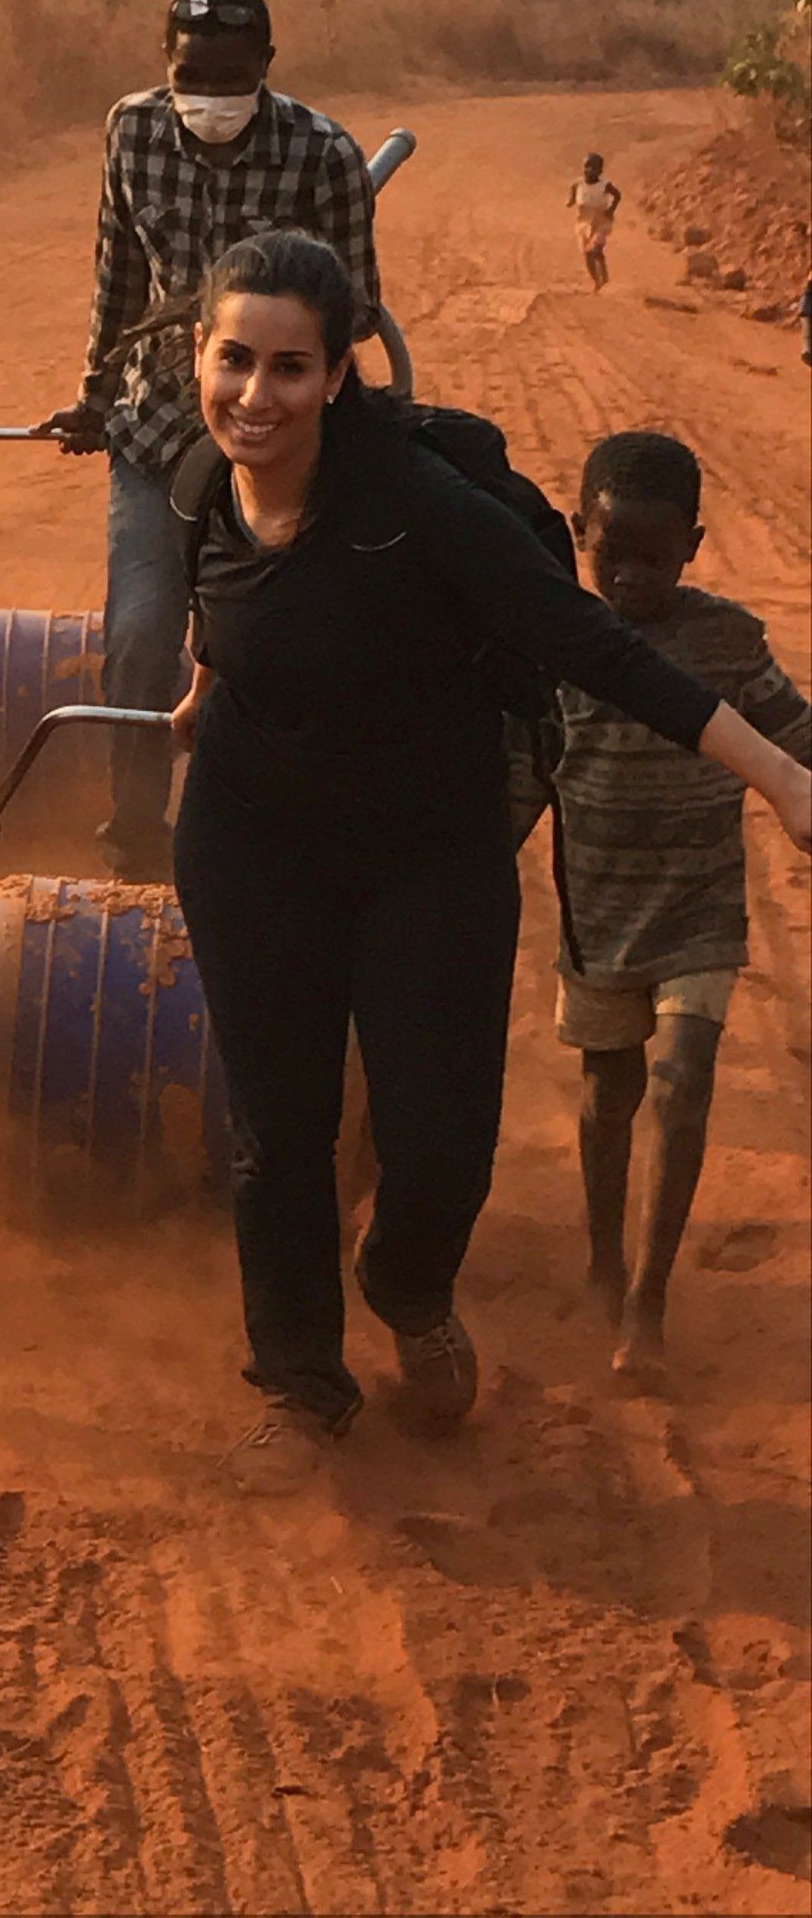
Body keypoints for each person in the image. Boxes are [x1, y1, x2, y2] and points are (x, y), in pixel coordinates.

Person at [163, 231, 809, 1477]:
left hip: (428, 851)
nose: (255, 394)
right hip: (252, 845)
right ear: (201, 354)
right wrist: (201, 694)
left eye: (290, 368)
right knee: (277, 1130)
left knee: (441, 1133)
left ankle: (407, 1282)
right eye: (233, 359)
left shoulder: (420, 510)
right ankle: (302, 1386)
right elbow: (221, 611)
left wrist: (781, 773)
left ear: (339, 375)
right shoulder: (200, 482)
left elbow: (596, 645)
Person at [43, 0, 381, 883]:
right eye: (194, 77)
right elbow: (117, 274)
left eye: (232, 81)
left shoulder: (327, 158)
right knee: (145, 633)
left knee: (270, 637)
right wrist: (93, 389)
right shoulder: (132, 131)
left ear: (268, 70)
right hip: (156, 428)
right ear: (167, 66)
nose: (211, 100)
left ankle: (277, 822)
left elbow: (355, 313)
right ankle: (136, 823)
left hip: (275, 443)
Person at [560, 431, 811, 1386]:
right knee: (607, 1093)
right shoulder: (557, 643)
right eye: (607, 552)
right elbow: (514, 780)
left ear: (693, 548)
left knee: (681, 1079)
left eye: (653, 559)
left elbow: (797, 738)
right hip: (598, 910)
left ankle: (646, 1303)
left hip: (701, 905)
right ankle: (601, 1261)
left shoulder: (728, 643)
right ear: (579, 530)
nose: (627, 577)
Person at [568, 152, 622, 291]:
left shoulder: (604, 184)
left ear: (600, 170)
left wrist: (611, 210)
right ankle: (597, 281)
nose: (589, 170)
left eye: (594, 168)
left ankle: (604, 277)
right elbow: (573, 189)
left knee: (596, 247)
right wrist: (572, 200)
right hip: (583, 220)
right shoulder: (578, 183)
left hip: (600, 220)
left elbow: (617, 195)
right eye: (587, 166)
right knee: (587, 253)